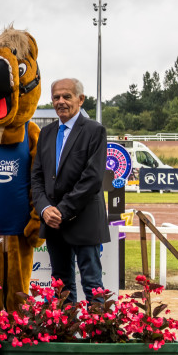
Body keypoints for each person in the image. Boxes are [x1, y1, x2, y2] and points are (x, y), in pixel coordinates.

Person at [31, 78, 108, 303]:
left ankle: (98, 334)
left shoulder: (94, 130)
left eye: (67, 96)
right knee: (60, 285)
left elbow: (92, 179)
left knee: (93, 285)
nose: (61, 102)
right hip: (54, 223)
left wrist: (61, 211)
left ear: (80, 99)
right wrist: (45, 208)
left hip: (83, 220)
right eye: (56, 97)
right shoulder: (46, 133)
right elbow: (36, 177)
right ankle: (66, 334)